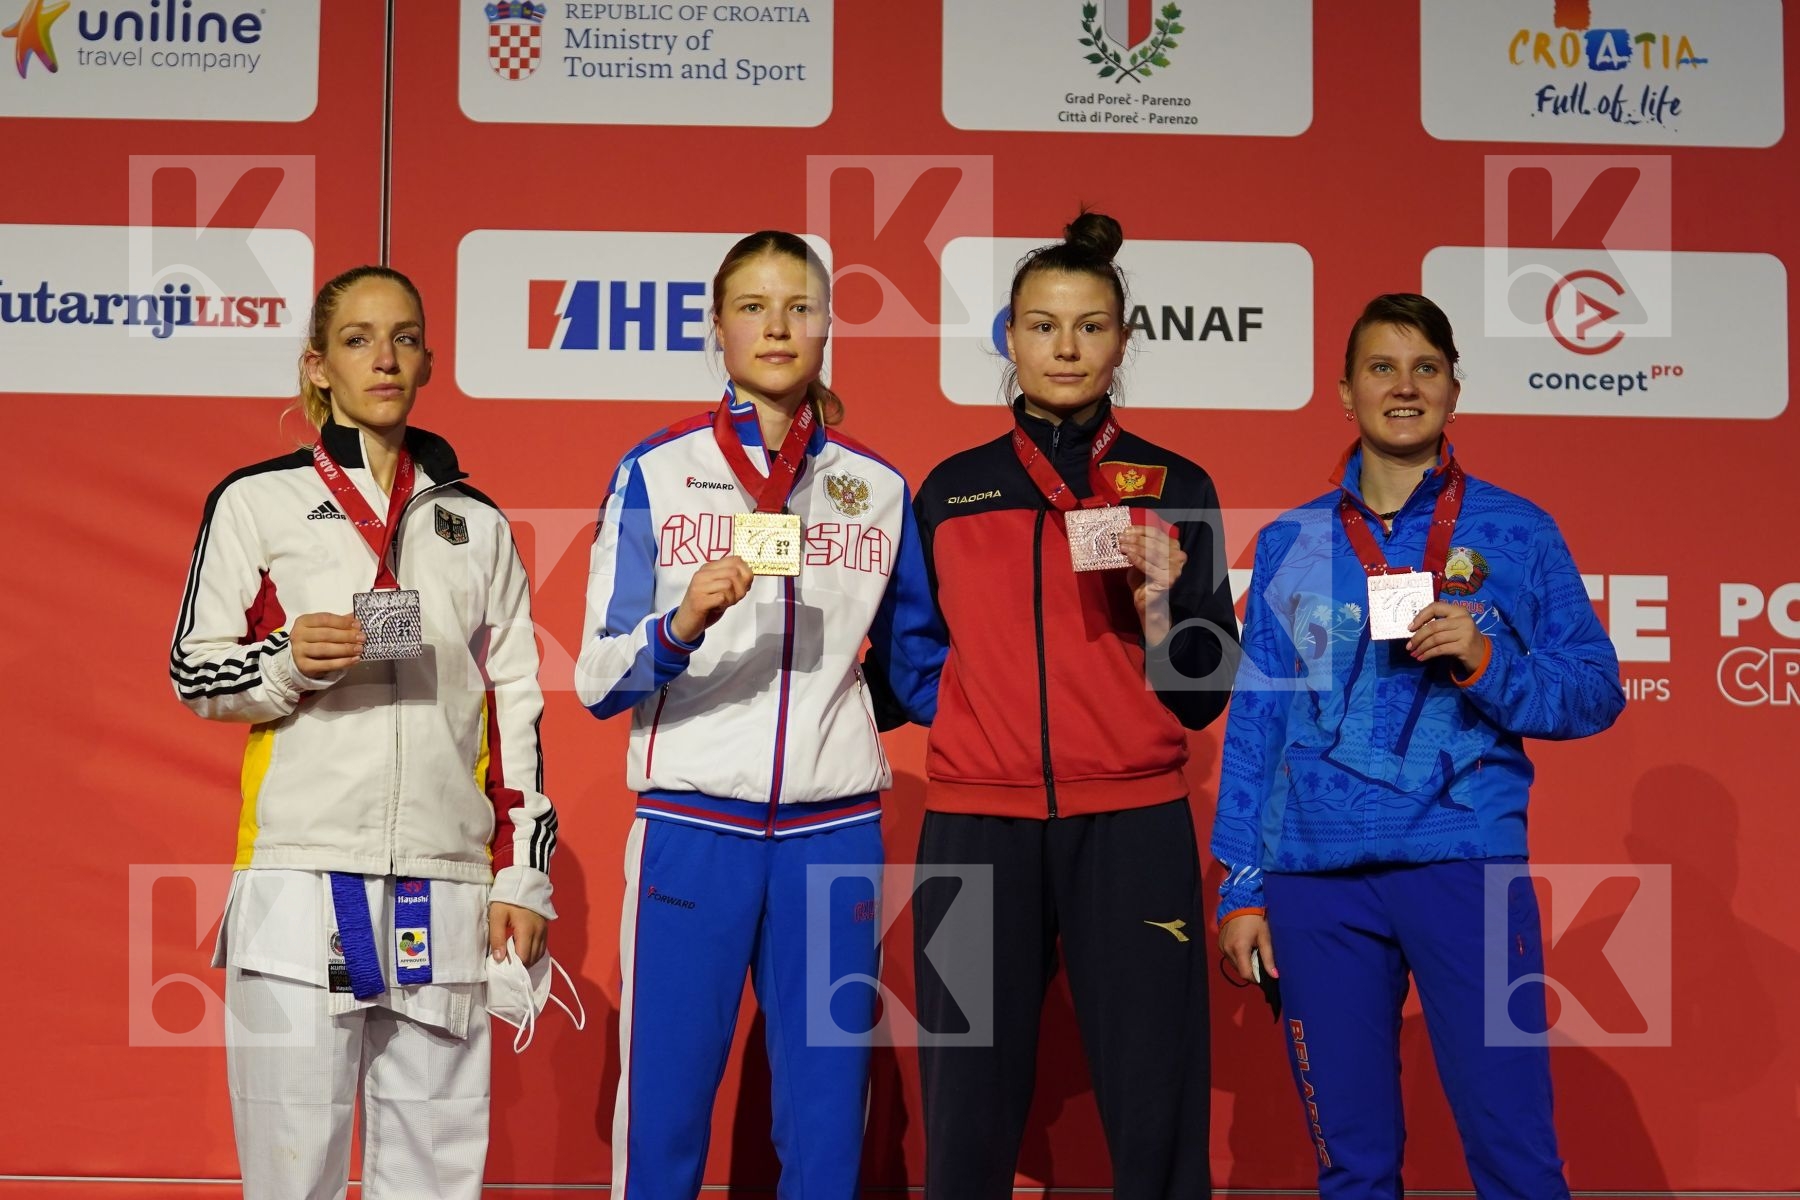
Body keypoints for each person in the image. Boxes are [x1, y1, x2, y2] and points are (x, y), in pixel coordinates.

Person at [1210, 293, 1625, 1199]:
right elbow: (1258, 721)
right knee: (1351, 1163)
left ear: (1455, 388)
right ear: (1345, 391)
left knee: (1515, 1149)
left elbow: (1596, 690)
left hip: (1464, 864)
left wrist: (1487, 660)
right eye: (1381, 368)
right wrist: (1242, 883)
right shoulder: (1292, 540)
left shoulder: (1517, 531)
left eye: (1425, 368)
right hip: (1315, 880)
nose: (1405, 387)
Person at [170, 265, 557, 1200]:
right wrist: (287, 660)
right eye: (357, 339)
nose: (384, 357)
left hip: (444, 883)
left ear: (427, 359)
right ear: (318, 366)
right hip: (302, 879)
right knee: (291, 1173)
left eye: (406, 337)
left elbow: (516, 705)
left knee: (433, 1177)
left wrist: (524, 873)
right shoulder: (254, 502)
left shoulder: (477, 521)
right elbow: (193, 669)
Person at [574, 230, 943, 1200]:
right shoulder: (656, 470)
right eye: (754, 307)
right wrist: (685, 619)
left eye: (801, 307)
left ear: (828, 326)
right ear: (717, 328)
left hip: (834, 834)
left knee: (826, 1127)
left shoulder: (878, 488)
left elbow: (923, 669)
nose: (778, 327)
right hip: (694, 826)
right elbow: (599, 676)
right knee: (664, 1116)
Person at [904, 211, 1240, 1200]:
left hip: (1131, 822)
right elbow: (918, 660)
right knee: (964, 1099)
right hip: (975, 825)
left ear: (1123, 341)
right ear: (1009, 337)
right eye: (1043, 325)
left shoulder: (1177, 484)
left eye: (1090, 326)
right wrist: (979, 725)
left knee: (1155, 1099)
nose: (1065, 347)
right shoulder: (953, 490)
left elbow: (1203, 687)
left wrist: (1164, 606)